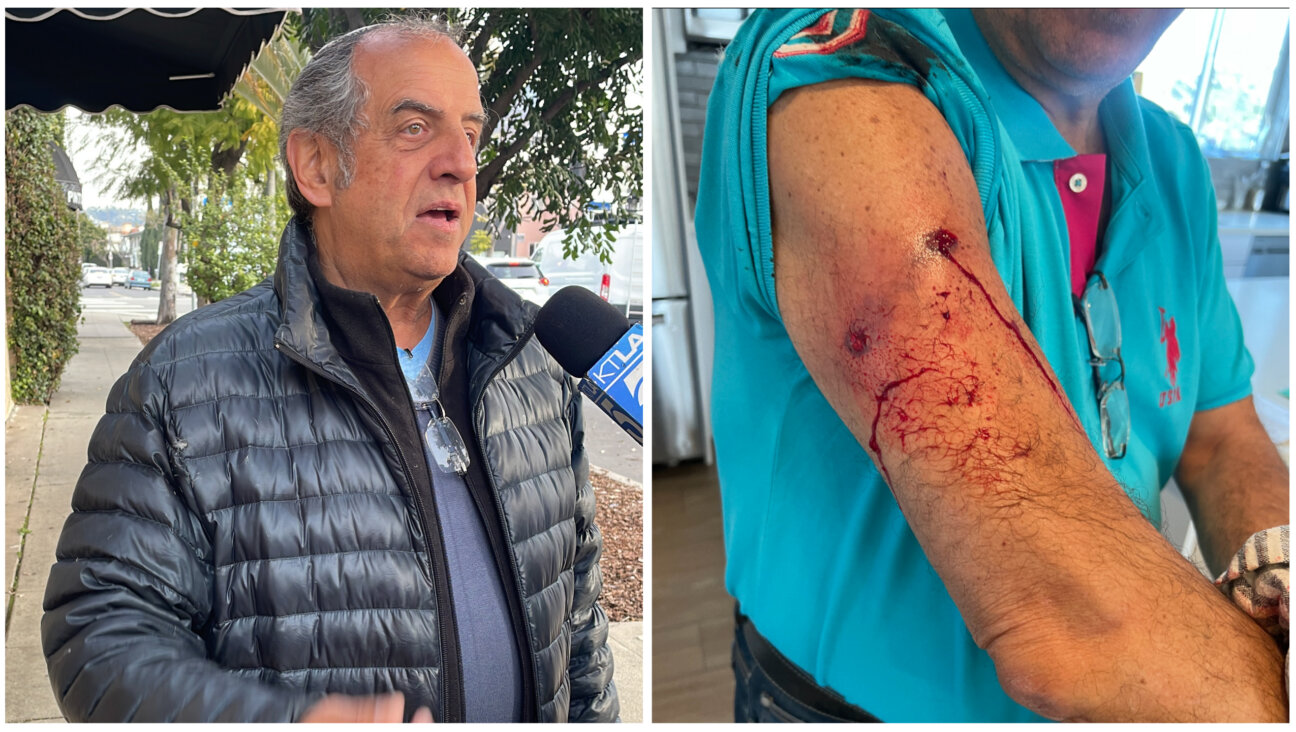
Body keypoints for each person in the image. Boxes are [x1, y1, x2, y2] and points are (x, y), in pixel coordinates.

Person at [695, 8, 1288, 723]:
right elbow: (1071, 621)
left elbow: (1220, 436)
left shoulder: (1172, 160)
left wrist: (1279, 584)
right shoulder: (844, 65)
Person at [41, 17, 618, 724]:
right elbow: (98, 634)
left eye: (470, 134)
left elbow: (580, 627)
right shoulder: (182, 383)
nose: (461, 165)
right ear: (316, 165)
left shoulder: (534, 359)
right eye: (414, 127)